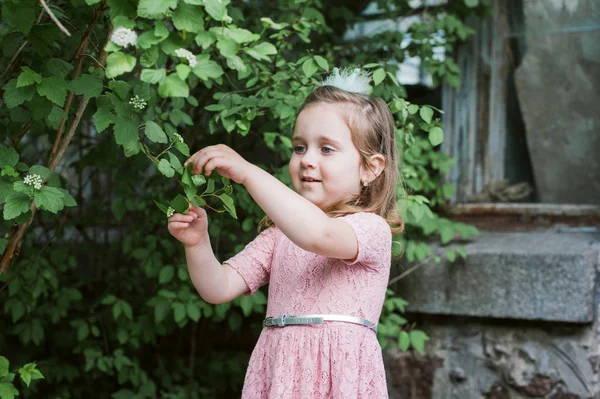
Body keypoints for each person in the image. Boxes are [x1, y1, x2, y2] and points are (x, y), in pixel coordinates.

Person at [168, 68, 403, 398]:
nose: (307, 160)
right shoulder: (280, 237)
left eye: (327, 149)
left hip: (339, 378)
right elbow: (217, 288)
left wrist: (249, 173)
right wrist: (197, 243)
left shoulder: (370, 229)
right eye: (299, 147)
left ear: (370, 168)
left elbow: (318, 236)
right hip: (280, 374)